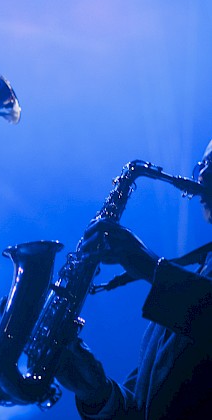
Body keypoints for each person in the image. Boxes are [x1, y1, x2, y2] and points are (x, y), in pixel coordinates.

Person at [56, 139, 212, 419]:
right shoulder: (168, 314)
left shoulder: (180, 294)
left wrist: (152, 267)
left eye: (211, 164)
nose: (200, 174)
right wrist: (99, 394)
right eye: (201, 164)